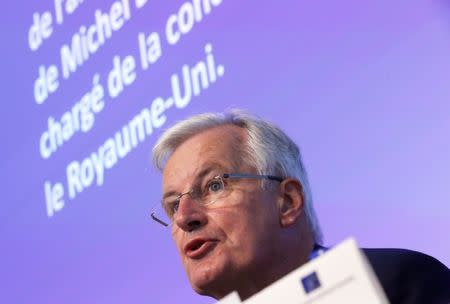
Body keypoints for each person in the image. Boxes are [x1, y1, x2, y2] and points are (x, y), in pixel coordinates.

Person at [151, 109, 450, 303]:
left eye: (215, 185)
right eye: (174, 205)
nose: (184, 218)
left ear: (287, 202)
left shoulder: (394, 283)